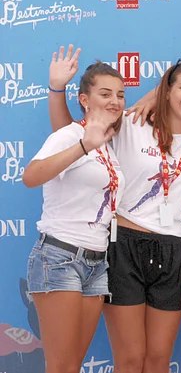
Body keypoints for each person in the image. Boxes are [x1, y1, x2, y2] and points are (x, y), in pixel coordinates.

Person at [47, 45, 181, 373]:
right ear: (165, 91)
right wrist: (57, 90)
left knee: (158, 360)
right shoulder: (131, 122)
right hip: (125, 246)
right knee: (131, 358)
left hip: (172, 249)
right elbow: (69, 137)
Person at [23, 59, 125, 373]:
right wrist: (83, 145)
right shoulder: (70, 136)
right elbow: (31, 175)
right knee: (61, 366)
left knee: (73, 365)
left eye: (120, 95)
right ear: (84, 100)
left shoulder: (108, 143)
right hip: (60, 258)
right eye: (105, 94)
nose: (115, 101)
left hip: (96, 263)